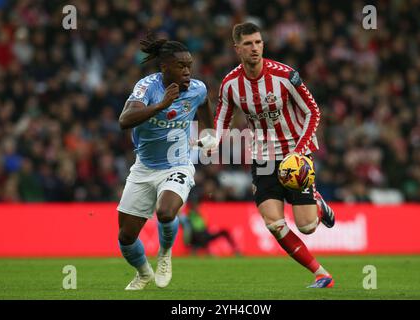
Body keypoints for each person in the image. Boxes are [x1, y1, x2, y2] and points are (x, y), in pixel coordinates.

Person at [214, 22, 336, 288]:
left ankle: (318, 205)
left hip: (294, 154)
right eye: (248, 44)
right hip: (262, 158)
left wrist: (300, 151)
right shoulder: (230, 84)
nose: (254, 48)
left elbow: (313, 111)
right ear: (237, 49)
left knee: (306, 227)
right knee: (274, 224)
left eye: (258, 42)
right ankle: (321, 273)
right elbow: (222, 122)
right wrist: (213, 143)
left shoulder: (285, 75)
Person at [117, 33, 215, 290]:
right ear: (164, 67)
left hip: (177, 164)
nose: (187, 71)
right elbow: (124, 120)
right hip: (144, 168)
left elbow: (205, 109)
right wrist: (162, 104)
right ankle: (143, 273)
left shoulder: (197, 89)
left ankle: (165, 254)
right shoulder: (147, 87)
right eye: (181, 66)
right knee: (126, 237)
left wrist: (209, 136)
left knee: (165, 211)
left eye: (189, 66)